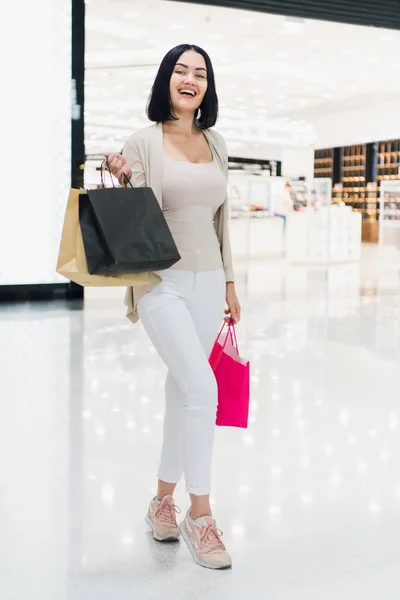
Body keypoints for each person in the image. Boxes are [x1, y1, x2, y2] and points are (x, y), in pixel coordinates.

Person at [105, 44, 241, 570]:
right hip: (161, 281)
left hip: (208, 281)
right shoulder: (143, 142)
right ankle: (200, 517)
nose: (190, 79)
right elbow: (141, 216)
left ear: (208, 87)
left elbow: (221, 221)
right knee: (201, 387)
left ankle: (162, 501)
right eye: (181, 71)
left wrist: (230, 281)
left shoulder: (216, 142)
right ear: (166, 80)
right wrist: (125, 178)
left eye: (200, 73)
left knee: (181, 390)